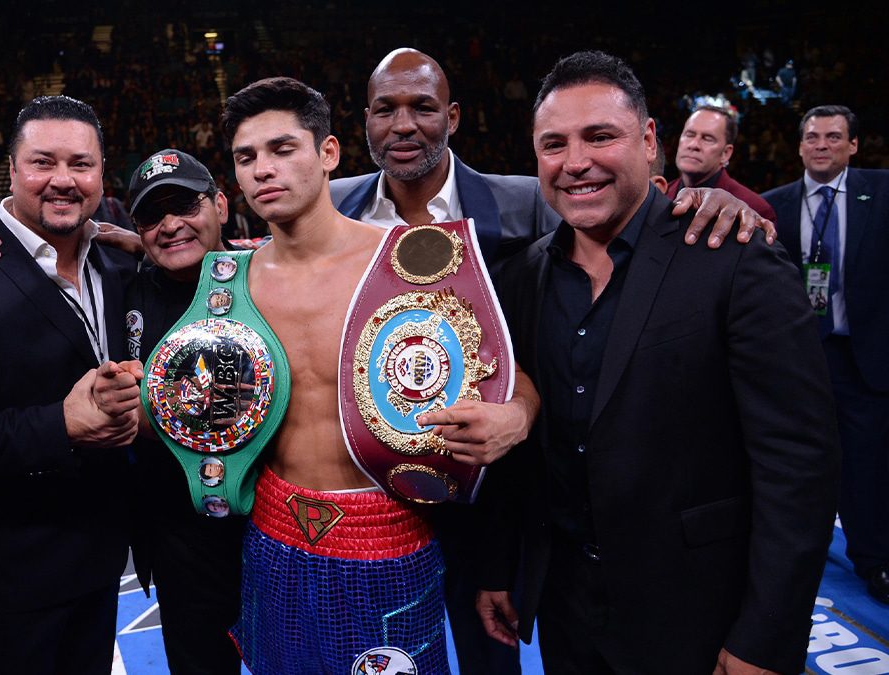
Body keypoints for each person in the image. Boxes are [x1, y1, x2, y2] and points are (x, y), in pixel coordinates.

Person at [328, 47, 778, 674]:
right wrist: (136, 240)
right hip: (371, 500)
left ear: (453, 116)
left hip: (500, 496)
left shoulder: (528, 206)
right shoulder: (325, 210)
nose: (404, 124)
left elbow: (623, 221)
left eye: (422, 106)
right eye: (386, 109)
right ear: (364, 121)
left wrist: (709, 199)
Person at [479, 51, 840, 674]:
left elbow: (798, 466)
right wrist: (499, 565)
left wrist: (767, 633)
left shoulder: (736, 257)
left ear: (650, 142)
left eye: (600, 137)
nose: (576, 163)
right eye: (554, 144)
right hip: (568, 612)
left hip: (701, 617)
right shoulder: (521, 276)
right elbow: (524, 444)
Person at [219, 76, 538, 675]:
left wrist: (514, 418)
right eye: (246, 157)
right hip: (272, 534)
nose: (263, 169)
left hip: (391, 533)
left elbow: (511, 375)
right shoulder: (227, 284)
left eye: (283, 149)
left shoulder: (412, 258)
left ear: (328, 154)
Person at [0, 95, 143, 675]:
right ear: (12, 170)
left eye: (80, 164)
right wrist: (60, 425)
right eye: (43, 162)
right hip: (10, 568)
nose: (63, 180)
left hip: (103, 549)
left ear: (100, 173)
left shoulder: (117, 264)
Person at [123, 148, 246, 675]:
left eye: (186, 206)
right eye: (152, 216)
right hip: (180, 541)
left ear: (220, 204)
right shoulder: (119, 288)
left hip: (275, 531)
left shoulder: (274, 273)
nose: (170, 225)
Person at [762, 105, 889, 604]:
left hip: (865, 357)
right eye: (812, 137)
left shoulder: (881, 193)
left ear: (853, 145)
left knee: (868, 465)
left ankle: (875, 560)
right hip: (800, 361)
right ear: (798, 146)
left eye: (833, 137)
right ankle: (791, 564)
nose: (821, 145)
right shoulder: (776, 204)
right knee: (796, 465)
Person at [666, 106, 777, 222]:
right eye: (689, 134)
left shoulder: (754, 209)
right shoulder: (660, 194)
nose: (694, 145)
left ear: (725, 153)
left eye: (707, 139)